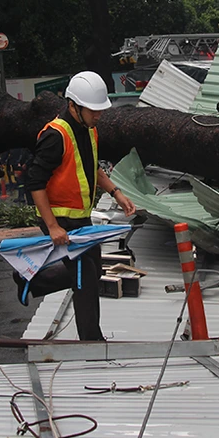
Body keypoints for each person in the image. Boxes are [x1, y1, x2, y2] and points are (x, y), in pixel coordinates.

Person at [22, 71, 136, 341]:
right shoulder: (55, 136)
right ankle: (91, 340)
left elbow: (91, 167)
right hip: (59, 218)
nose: (98, 115)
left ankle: (29, 279)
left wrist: (116, 192)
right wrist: (52, 226)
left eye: (100, 110)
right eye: (93, 110)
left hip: (80, 218)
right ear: (73, 106)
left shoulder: (89, 130)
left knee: (91, 272)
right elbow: (35, 182)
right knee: (85, 277)